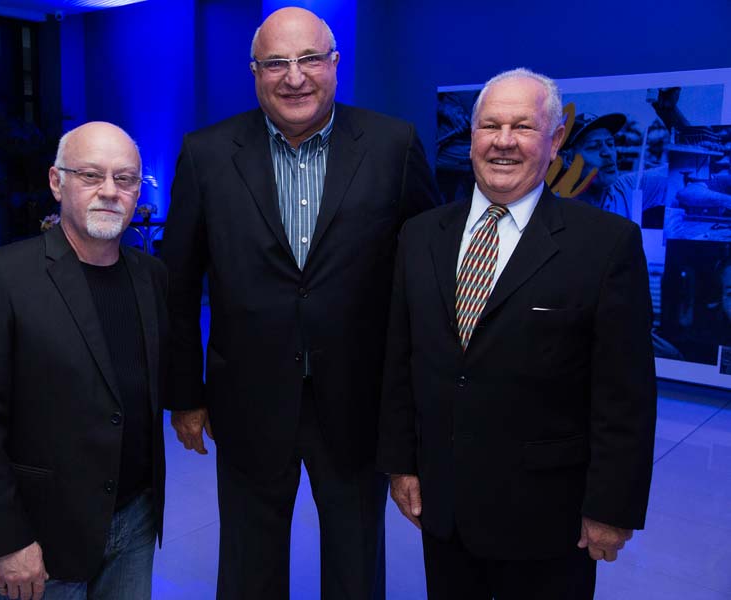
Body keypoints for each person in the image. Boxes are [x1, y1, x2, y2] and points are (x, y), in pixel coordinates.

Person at [161, 7, 438, 599]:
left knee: (356, 562)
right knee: (248, 564)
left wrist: (416, 402)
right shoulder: (206, 154)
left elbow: (427, 278)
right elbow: (177, 285)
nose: (294, 77)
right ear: (254, 72)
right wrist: (184, 396)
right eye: (276, 63)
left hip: (358, 400)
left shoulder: (393, 146)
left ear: (335, 63)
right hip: (246, 399)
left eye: (310, 59)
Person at [377, 68, 656, 599]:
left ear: (555, 141)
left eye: (523, 127)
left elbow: (625, 394)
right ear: (472, 137)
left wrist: (611, 506)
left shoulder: (605, 245)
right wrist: (400, 465)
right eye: (490, 126)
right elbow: (401, 359)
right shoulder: (420, 236)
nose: (503, 141)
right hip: (446, 507)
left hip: (548, 518)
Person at [0, 121, 168, 600]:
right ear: (56, 181)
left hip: (136, 518)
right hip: (45, 534)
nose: (109, 191)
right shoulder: (0, 277)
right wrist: (7, 540)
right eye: (90, 175)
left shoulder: (151, 276)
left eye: (125, 178)